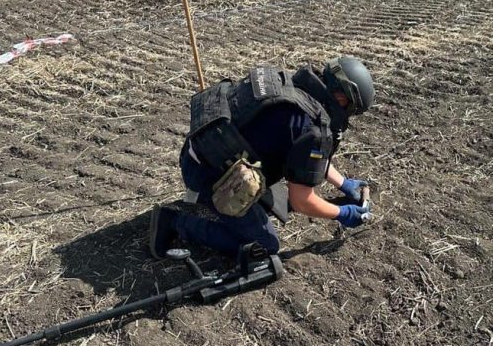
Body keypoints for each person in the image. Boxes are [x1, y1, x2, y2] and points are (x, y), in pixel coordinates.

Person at [149, 56, 375, 259]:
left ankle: (206, 200)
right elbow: (302, 200)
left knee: (273, 202)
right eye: (353, 110)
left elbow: (307, 157)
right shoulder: (313, 129)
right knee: (264, 245)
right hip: (207, 175)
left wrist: (344, 184)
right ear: (342, 99)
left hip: (199, 149)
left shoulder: (293, 87)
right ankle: (177, 221)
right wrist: (342, 213)